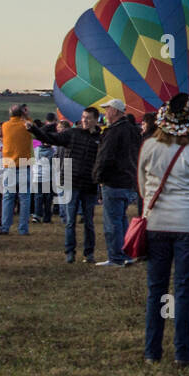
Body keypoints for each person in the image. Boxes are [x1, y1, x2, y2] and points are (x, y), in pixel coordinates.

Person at [138, 94, 189, 365]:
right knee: (184, 289)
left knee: (158, 289)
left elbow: (142, 187)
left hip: (157, 224)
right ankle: (182, 353)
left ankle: (153, 350)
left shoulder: (149, 147)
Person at [92, 99, 141, 262]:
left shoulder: (113, 132)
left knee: (112, 222)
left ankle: (116, 257)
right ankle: (127, 253)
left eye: (107, 110)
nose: (105, 113)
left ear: (115, 111)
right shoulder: (133, 130)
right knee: (121, 219)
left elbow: (105, 157)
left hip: (113, 180)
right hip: (128, 180)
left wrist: (98, 176)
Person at [52, 107, 102, 263]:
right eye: (83, 117)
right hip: (71, 182)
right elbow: (52, 138)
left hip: (89, 184)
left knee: (89, 221)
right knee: (70, 220)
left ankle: (89, 253)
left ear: (95, 120)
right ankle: (70, 252)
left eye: (88, 118)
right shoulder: (72, 134)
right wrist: (33, 129)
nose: (85, 120)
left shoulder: (100, 138)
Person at [0, 104, 38, 235]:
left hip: (9, 165)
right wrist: (26, 116)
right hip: (24, 163)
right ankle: (23, 228)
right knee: (25, 198)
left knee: (8, 198)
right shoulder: (26, 125)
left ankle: (5, 227)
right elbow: (35, 130)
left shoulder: (5, 126)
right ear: (21, 113)